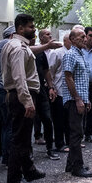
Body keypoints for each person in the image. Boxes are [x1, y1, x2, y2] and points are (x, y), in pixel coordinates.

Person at [1, 14, 45, 183]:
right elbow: (19, 78)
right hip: (22, 97)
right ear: (20, 28)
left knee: (25, 137)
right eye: (30, 26)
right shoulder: (18, 47)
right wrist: (27, 101)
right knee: (19, 139)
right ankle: (15, 180)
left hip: (20, 95)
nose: (34, 29)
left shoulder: (15, 45)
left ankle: (29, 170)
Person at [61, 27, 92, 178]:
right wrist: (78, 99)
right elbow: (68, 77)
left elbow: (82, 80)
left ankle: (70, 164)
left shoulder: (81, 54)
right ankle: (77, 167)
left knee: (77, 132)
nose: (85, 39)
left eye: (85, 37)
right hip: (74, 101)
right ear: (72, 40)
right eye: (81, 37)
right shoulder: (71, 54)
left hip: (81, 100)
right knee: (76, 133)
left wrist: (86, 100)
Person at [33, 28, 60, 160]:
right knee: (29, 121)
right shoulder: (24, 51)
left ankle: (50, 149)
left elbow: (46, 71)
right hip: (28, 91)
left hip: (41, 91)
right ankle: (28, 152)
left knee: (48, 120)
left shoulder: (41, 53)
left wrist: (51, 87)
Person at [0, 25, 15, 166]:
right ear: (12, 35)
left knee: (6, 124)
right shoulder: (7, 44)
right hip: (5, 90)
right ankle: (8, 157)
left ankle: (5, 155)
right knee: (10, 125)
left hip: (0, 89)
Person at [48, 33, 71, 152]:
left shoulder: (73, 53)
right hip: (58, 90)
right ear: (65, 41)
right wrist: (51, 87)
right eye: (70, 40)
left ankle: (69, 142)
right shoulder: (56, 53)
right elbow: (50, 71)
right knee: (58, 120)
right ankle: (59, 144)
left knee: (68, 119)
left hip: (69, 92)